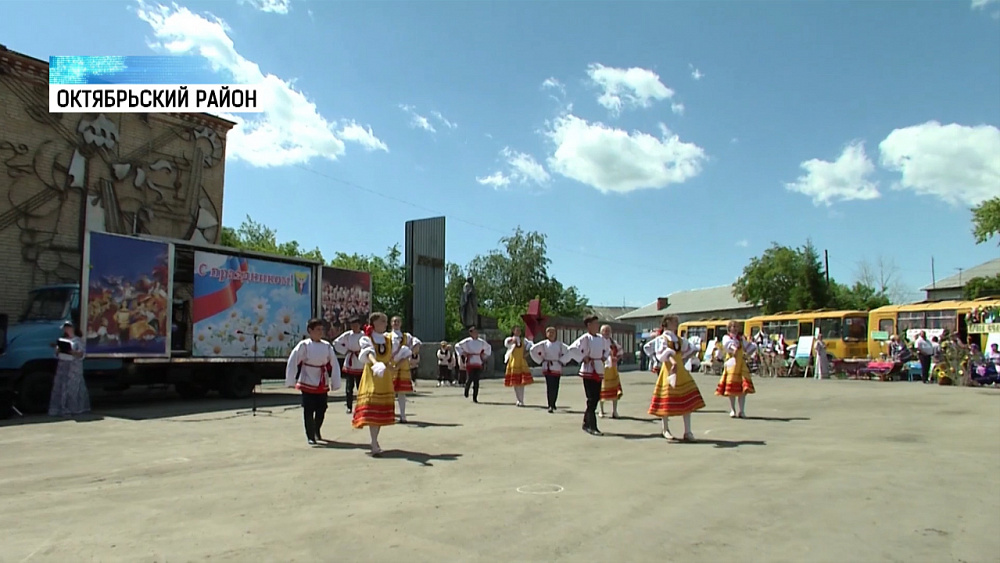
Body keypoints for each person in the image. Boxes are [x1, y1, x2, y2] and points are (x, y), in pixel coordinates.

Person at [353, 312, 412, 456]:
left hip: (385, 377)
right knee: (372, 407)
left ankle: (374, 440)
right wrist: (376, 364)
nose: (386, 324)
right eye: (383, 321)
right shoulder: (367, 338)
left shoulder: (388, 340)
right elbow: (369, 353)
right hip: (372, 376)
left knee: (379, 411)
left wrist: (396, 365)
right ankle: (374, 442)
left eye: (386, 321)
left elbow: (393, 356)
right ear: (374, 323)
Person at [645, 315, 704, 441]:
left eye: (677, 322)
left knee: (686, 400)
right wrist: (674, 362)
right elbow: (662, 352)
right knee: (666, 400)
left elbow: (691, 349)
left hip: (680, 370)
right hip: (669, 370)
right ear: (666, 323)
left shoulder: (679, 339)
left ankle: (688, 431)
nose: (676, 324)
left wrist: (683, 358)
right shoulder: (662, 339)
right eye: (674, 322)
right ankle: (665, 429)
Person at [285, 318, 342, 445]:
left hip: (321, 380)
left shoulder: (326, 345)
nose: (320, 332)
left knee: (322, 408)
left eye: (321, 329)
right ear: (310, 331)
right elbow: (293, 360)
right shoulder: (304, 345)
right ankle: (310, 435)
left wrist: (335, 382)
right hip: (307, 379)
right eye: (317, 329)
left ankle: (317, 429)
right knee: (308, 409)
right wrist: (291, 379)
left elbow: (334, 364)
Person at [565, 315, 611, 436]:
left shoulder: (601, 338)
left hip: (598, 368)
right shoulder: (585, 338)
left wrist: (604, 356)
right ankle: (592, 426)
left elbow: (607, 349)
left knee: (596, 397)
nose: (597, 326)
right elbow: (572, 348)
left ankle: (586, 423)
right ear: (589, 325)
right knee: (591, 398)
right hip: (588, 369)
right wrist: (582, 357)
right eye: (595, 324)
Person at [48, 320, 91, 417]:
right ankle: (61, 409)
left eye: (68, 327)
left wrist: (71, 352)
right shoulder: (62, 339)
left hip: (74, 367)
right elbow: (56, 354)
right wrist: (58, 350)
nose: (66, 329)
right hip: (63, 366)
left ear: (73, 328)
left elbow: (81, 354)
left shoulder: (78, 340)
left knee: (72, 389)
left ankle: (73, 409)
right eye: (65, 328)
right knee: (61, 388)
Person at [716, 320, 756, 418]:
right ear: (729, 328)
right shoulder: (726, 338)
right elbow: (728, 345)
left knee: (743, 389)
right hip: (732, 365)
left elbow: (749, 347)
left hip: (741, 364)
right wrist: (734, 349)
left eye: (736, 326)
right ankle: (733, 410)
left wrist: (748, 353)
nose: (735, 328)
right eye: (733, 326)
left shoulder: (741, 339)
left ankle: (741, 411)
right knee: (731, 389)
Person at [389, 316, 422, 423]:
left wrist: (410, 353)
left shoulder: (406, 336)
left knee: (401, 392)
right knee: (389, 392)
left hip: (403, 366)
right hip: (390, 365)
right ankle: (390, 414)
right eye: (394, 321)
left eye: (398, 321)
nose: (396, 323)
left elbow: (417, 344)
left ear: (401, 323)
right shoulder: (386, 336)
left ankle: (403, 415)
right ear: (391, 323)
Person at [529, 327, 570, 413]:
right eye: (549, 332)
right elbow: (532, 350)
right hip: (548, 367)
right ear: (546, 334)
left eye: (553, 332)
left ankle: (553, 403)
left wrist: (562, 360)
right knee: (550, 386)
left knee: (556, 386)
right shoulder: (544, 344)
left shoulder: (560, 344)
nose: (551, 334)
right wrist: (540, 360)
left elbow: (569, 351)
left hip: (557, 366)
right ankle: (550, 404)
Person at [332, 316, 364, 414]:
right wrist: (345, 351)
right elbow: (336, 342)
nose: (354, 327)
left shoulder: (364, 335)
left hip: (360, 362)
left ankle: (361, 406)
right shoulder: (347, 335)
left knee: (361, 386)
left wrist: (363, 352)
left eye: (356, 325)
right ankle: (349, 406)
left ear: (359, 325)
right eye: (352, 325)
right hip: (350, 361)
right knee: (349, 387)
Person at [456, 326, 492, 403]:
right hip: (470, 361)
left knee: (476, 380)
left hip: (478, 361)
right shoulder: (467, 341)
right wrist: (463, 353)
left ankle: (475, 397)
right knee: (470, 378)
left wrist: (484, 355)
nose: (476, 334)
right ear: (471, 333)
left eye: (476, 332)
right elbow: (457, 346)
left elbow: (488, 347)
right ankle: (466, 389)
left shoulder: (481, 342)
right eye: (474, 332)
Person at [503, 326, 534, 407]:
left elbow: (531, 346)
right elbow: (506, 344)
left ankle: (521, 400)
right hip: (514, 361)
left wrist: (526, 354)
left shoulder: (524, 340)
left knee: (522, 382)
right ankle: (518, 399)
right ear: (513, 331)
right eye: (517, 330)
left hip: (521, 361)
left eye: (519, 330)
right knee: (515, 382)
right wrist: (512, 341)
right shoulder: (509, 339)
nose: (518, 332)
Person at [598, 324, 623, 419]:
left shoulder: (613, 342)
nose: (606, 332)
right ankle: (601, 410)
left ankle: (614, 411)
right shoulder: (598, 342)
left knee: (615, 390)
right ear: (601, 332)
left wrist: (616, 358)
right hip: (602, 369)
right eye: (604, 330)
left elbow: (620, 352)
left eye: (608, 330)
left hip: (613, 369)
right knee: (601, 390)